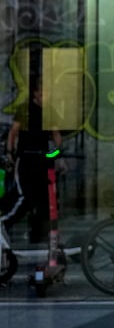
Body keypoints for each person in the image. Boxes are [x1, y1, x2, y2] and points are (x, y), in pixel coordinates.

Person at [3, 84, 62, 248]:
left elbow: (56, 134)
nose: (45, 96)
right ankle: (3, 223)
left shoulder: (50, 111)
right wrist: (10, 152)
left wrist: (56, 155)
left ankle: (39, 235)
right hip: (26, 157)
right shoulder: (25, 109)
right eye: (42, 93)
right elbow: (13, 132)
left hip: (43, 157)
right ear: (35, 93)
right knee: (25, 197)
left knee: (45, 199)